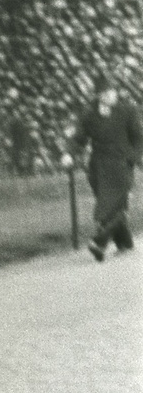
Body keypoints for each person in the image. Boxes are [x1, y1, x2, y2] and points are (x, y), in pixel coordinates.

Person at [64, 75, 142, 261]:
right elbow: (78, 138)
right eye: (105, 93)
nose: (110, 96)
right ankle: (125, 243)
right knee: (111, 205)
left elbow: (139, 138)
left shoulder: (128, 111)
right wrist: (69, 153)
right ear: (98, 95)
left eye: (112, 91)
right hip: (98, 167)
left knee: (110, 207)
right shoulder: (89, 114)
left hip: (122, 165)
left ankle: (99, 242)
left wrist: (134, 158)